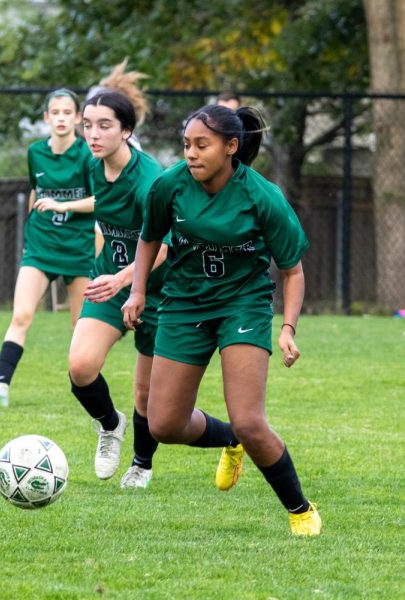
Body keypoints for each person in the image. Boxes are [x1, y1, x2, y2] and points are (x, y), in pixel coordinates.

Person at [122, 104, 322, 536]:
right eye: (186, 145)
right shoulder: (168, 186)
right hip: (184, 304)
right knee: (165, 425)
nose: (190, 154)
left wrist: (288, 328)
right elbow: (149, 238)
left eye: (201, 145)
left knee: (253, 419)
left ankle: (301, 510)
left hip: (242, 306)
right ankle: (232, 439)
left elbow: (292, 271)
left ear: (231, 147)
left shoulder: (262, 196)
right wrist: (137, 291)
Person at [67, 88, 171, 489]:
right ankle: (110, 426)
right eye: (88, 125)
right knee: (80, 367)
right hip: (109, 281)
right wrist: (113, 276)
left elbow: (163, 244)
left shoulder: (150, 183)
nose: (93, 134)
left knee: (146, 395)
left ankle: (141, 465)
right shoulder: (94, 166)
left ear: (126, 131)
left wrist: (130, 282)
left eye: (104, 126)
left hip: (156, 290)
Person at [0, 88, 96, 408]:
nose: (61, 118)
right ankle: (1, 386)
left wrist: (61, 204)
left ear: (78, 118)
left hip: (78, 249)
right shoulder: (35, 153)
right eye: (54, 113)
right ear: (46, 118)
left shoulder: (88, 155)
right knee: (22, 315)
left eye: (67, 113)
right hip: (41, 246)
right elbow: (35, 190)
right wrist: (36, 215)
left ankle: (86, 394)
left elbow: (100, 200)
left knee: (81, 328)